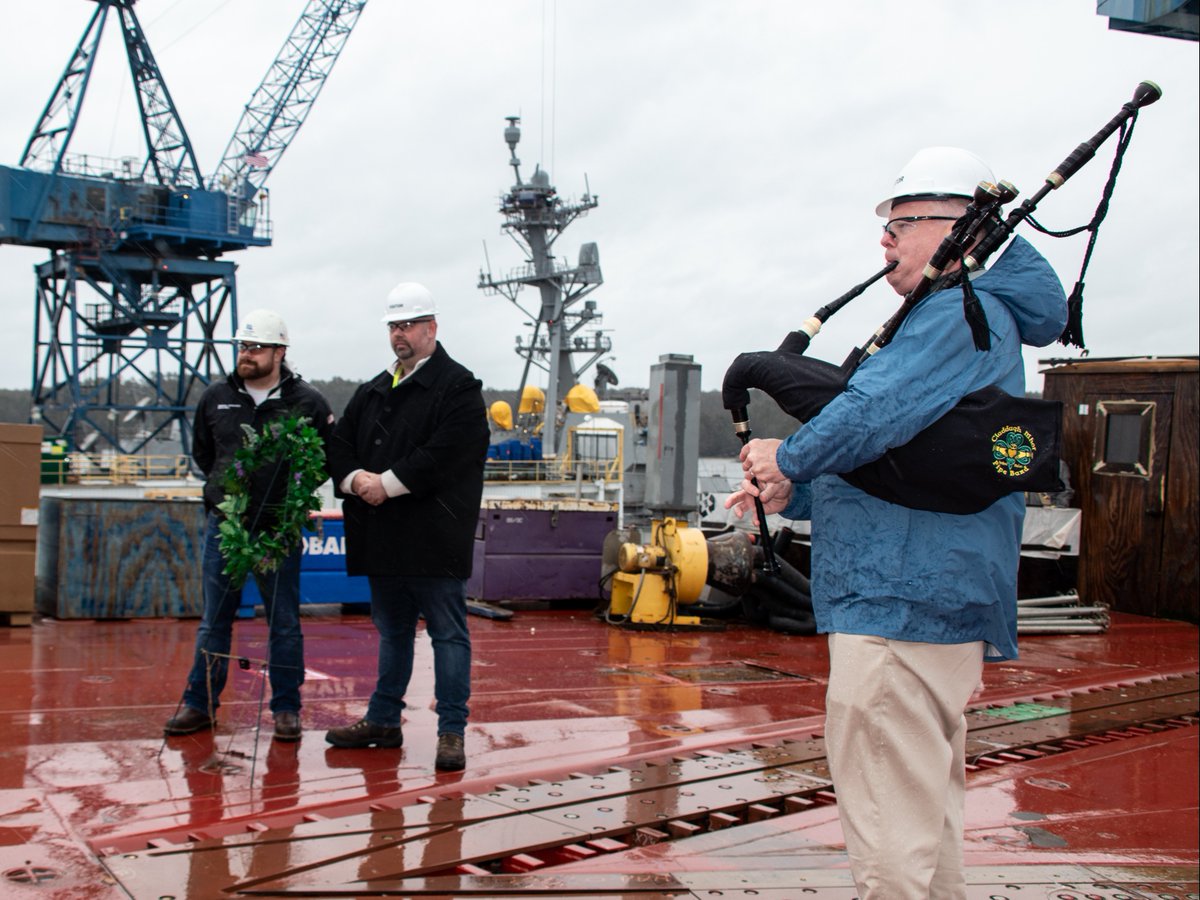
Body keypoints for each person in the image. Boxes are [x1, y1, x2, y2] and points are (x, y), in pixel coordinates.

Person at [727, 147, 1067, 899]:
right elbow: (911, 460)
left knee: (887, 835)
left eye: (902, 223)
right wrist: (798, 492)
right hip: (933, 599)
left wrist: (789, 458)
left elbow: (870, 414)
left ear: (959, 229)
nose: (884, 241)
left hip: (901, 603)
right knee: (921, 818)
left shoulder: (950, 314)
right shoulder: (975, 318)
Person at [324, 282, 488, 771]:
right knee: (392, 630)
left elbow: (449, 453)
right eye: (395, 326)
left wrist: (388, 484)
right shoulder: (374, 390)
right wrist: (355, 479)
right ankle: (383, 720)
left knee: (447, 634)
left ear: (432, 328)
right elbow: (340, 444)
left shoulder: (459, 388)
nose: (401, 334)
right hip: (386, 536)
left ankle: (451, 731)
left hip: (434, 536)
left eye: (410, 325)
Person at [165, 309, 335, 742]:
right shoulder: (216, 396)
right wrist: (228, 495)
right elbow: (205, 455)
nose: (247, 354)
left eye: (256, 347)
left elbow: (322, 462)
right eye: (242, 346)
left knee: (283, 621)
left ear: (280, 352)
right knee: (215, 621)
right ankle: (199, 704)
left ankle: (286, 709)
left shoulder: (308, 402)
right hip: (225, 529)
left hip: (277, 531)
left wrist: (283, 501)